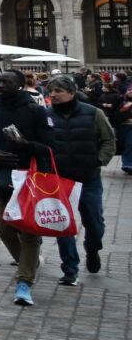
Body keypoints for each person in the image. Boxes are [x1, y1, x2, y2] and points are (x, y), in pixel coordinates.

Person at [0, 70, 53, 306]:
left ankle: (24, 282)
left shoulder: (35, 111)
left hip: (30, 178)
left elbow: (51, 146)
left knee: (29, 231)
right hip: (1, 176)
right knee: (1, 224)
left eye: (5, 82)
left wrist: (27, 145)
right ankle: (27, 263)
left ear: (19, 85)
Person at [45, 75, 116, 286]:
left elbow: (109, 139)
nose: (53, 95)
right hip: (60, 179)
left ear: (72, 93)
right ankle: (69, 268)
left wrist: (99, 160)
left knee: (95, 222)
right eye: (51, 91)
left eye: (58, 91)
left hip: (88, 177)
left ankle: (93, 249)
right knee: (63, 224)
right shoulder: (45, 115)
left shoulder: (94, 113)